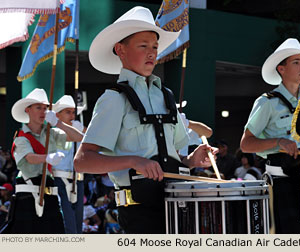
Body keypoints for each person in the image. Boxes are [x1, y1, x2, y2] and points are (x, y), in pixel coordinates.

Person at [74, 6, 217, 234]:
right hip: (139, 213)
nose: (152, 53)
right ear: (120, 50)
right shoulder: (113, 99)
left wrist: (191, 160)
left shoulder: (166, 96)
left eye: (155, 47)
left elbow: (173, 156)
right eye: (143, 46)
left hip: (178, 206)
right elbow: (82, 161)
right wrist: (134, 161)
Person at [240, 38, 300, 233]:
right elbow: (246, 144)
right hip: (281, 184)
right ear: (281, 69)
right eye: (296, 62)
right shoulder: (267, 102)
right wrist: (279, 142)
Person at [8, 88, 83, 233]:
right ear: (27, 110)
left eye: (45, 108)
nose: (43, 111)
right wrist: (47, 158)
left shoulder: (52, 133)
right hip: (28, 193)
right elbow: (29, 158)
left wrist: (58, 124)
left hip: (50, 192)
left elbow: (79, 138)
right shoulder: (21, 137)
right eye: (38, 108)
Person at [52, 95, 85, 233]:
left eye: (73, 112)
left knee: (77, 222)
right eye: (67, 112)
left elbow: (91, 138)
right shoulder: (52, 131)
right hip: (59, 179)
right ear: (57, 115)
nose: (72, 115)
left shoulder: (76, 127)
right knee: (67, 222)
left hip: (77, 179)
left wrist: (80, 128)